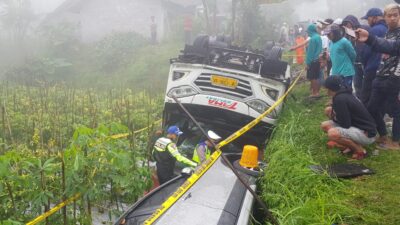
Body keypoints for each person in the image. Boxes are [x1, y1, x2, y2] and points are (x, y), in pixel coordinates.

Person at [362, 4, 400, 150]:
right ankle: (383, 134)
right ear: (384, 17)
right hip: (381, 75)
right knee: (372, 107)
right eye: (389, 15)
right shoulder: (387, 33)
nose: (392, 18)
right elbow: (383, 56)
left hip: (394, 77)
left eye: (395, 15)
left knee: (395, 110)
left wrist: (396, 78)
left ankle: (396, 141)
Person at [321, 76, 376, 160]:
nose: (325, 90)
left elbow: (345, 124)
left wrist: (335, 116)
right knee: (325, 123)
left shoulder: (340, 99)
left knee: (332, 133)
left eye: (326, 88)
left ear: (330, 88)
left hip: (366, 134)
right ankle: (347, 144)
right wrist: (334, 113)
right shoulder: (344, 92)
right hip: (358, 126)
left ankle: (359, 151)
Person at [359, 8, 388, 105]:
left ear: (374, 18)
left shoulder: (374, 30)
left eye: (368, 19)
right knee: (380, 100)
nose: (368, 21)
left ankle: (365, 119)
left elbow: (367, 51)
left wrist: (363, 62)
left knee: (366, 98)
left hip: (372, 67)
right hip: (385, 69)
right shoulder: (389, 29)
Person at [342, 15, 367, 98]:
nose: (347, 26)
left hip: (365, 62)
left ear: (354, 23)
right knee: (357, 83)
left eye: (348, 24)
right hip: (355, 63)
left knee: (367, 83)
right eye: (345, 24)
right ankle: (359, 99)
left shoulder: (362, 30)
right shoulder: (346, 35)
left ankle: (366, 100)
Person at [305, 23, 322, 98]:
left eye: (308, 31)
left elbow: (310, 52)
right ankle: (317, 92)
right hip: (318, 60)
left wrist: (307, 63)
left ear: (311, 31)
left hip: (313, 61)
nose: (307, 33)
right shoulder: (318, 37)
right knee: (317, 76)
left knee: (313, 78)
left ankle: (315, 93)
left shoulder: (312, 39)